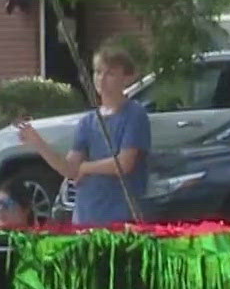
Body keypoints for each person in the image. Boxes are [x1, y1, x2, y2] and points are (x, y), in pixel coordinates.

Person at [14, 44, 150, 226]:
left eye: (110, 73)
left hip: (122, 217)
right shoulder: (87, 122)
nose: (102, 79)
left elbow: (124, 163)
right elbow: (69, 169)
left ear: (127, 78)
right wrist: (37, 142)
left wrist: (86, 168)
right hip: (85, 216)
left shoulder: (135, 114)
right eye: (98, 72)